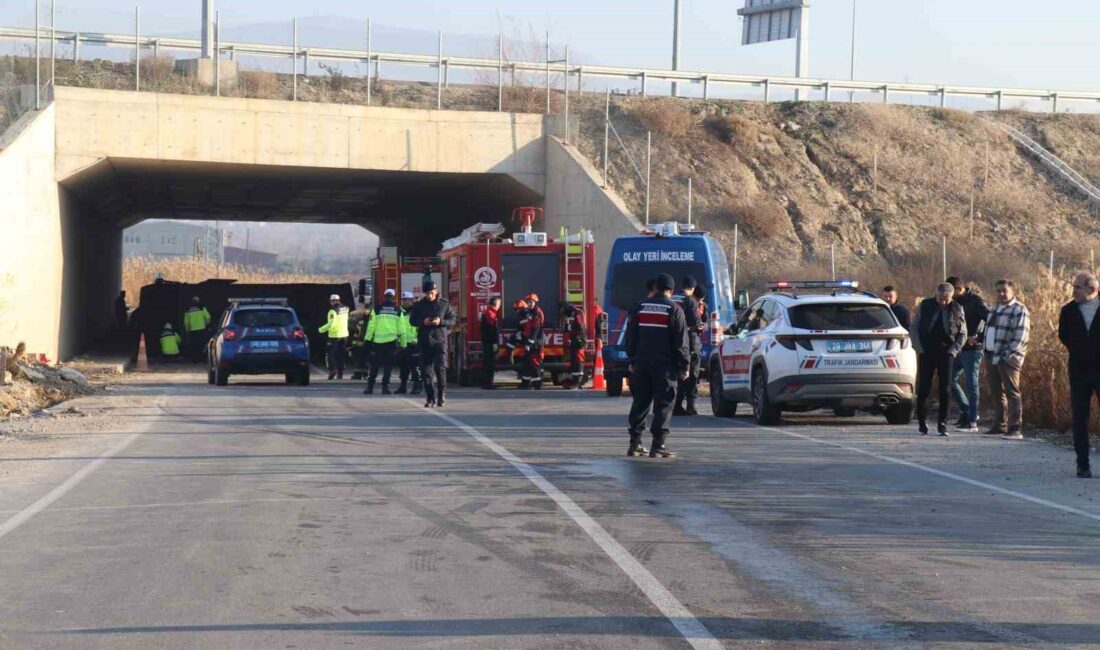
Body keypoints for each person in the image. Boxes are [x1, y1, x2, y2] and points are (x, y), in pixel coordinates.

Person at [625, 273, 689, 459]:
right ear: (671, 290)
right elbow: (680, 342)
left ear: (655, 288)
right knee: (664, 404)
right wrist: (684, 366)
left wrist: (632, 360)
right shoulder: (674, 310)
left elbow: (631, 337)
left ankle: (635, 444)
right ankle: (658, 445)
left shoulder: (640, 307)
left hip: (641, 365)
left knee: (640, 403)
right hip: (665, 367)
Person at [909, 283, 967, 436]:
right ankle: (922, 421)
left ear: (951, 297)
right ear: (936, 295)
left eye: (946, 300)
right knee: (924, 389)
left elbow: (963, 333)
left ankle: (943, 423)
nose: (943, 302)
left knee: (945, 389)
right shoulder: (925, 305)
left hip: (946, 352)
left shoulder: (957, 308)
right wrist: (918, 347)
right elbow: (914, 327)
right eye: (940, 299)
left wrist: (953, 351)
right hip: (926, 350)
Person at [1058, 271, 1100, 478]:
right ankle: (1082, 464)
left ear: (1091, 289)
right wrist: (1081, 350)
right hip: (1079, 370)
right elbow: (1063, 335)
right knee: (1080, 419)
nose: (1073, 291)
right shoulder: (1068, 311)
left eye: (1077, 287)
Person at [983, 279, 1030, 440]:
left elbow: (1021, 336)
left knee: (1012, 392)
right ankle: (1000, 424)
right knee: (997, 392)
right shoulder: (994, 308)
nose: (1001, 294)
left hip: (1008, 358)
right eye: (998, 291)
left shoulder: (1019, 310)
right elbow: (989, 329)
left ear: (1012, 292)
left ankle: (1015, 427)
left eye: (1004, 291)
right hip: (991, 355)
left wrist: (1008, 355)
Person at [946, 277, 990, 431]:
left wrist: (979, 338)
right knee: (949, 380)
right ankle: (966, 410)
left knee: (972, 384)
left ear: (958, 289)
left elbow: (990, 320)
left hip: (973, 349)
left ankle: (972, 420)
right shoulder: (953, 302)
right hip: (958, 347)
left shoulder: (976, 301)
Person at [407, 280, 456, 407]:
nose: (430, 295)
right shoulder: (419, 305)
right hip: (425, 341)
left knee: (440, 369)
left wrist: (441, 322)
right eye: (427, 293)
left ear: (436, 291)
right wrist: (424, 322)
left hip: (440, 341)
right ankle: (430, 398)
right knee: (426, 372)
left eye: (432, 293)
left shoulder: (444, 304)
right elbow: (412, 321)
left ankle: (441, 395)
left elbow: (452, 320)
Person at [364, 289, 404, 395]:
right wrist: (403, 344)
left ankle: (370, 387)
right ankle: (385, 388)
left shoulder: (376, 309)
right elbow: (402, 330)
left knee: (374, 366)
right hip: (391, 343)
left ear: (384, 297)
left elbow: (371, 326)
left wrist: (367, 341)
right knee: (388, 367)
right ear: (394, 297)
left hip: (378, 343)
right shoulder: (398, 311)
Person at [672, 276, 702, 416]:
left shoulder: (670, 299)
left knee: (674, 372)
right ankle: (691, 405)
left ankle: (676, 404)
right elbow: (696, 323)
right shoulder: (690, 301)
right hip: (689, 341)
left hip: (671, 341)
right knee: (692, 372)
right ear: (691, 289)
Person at [319, 294, 350, 380]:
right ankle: (340, 373)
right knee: (340, 354)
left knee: (330, 354)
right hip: (344, 335)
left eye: (331, 301)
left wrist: (321, 329)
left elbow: (331, 324)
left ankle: (332, 370)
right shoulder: (346, 308)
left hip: (334, 335)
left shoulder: (332, 311)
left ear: (332, 301)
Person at [396, 292, 422, 394]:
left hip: (414, 344)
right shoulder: (399, 312)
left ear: (412, 300)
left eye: (407, 300)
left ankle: (417, 386)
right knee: (403, 367)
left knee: (415, 367)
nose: (405, 302)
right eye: (403, 300)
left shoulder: (416, 312)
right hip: (403, 344)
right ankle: (403, 387)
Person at [519, 293, 545, 389]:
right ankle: (525, 383)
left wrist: (530, 342)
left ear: (535, 302)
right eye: (528, 302)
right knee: (526, 362)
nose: (529, 304)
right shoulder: (530, 312)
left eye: (531, 302)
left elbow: (535, 328)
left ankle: (537, 384)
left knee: (535, 363)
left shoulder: (536, 313)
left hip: (535, 342)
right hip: (529, 341)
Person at [560, 302, 587, 389]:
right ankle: (575, 381)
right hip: (574, 340)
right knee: (574, 360)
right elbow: (566, 329)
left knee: (578, 360)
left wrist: (569, 328)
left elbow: (579, 327)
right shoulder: (569, 315)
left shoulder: (576, 314)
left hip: (579, 340)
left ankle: (578, 382)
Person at [480, 297, 502, 389]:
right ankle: (488, 384)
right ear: (496, 304)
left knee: (488, 363)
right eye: (499, 304)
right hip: (489, 342)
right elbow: (492, 329)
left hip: (487, 341)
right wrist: (495, 342)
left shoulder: (488, 312)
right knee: (490, 363)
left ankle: (488, 383)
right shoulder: (491, 314)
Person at [348, 297, 372, 381]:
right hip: (360, 344)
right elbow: (356, 333)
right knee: (358, 359)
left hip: (367, 344)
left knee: (365, 360)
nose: (365, 312)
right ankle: (358, 374)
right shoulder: (360, 321)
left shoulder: (371, 322)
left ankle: (365, 374)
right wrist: (353, 344)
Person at [182, 296, 212, 362]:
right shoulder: (202, 308)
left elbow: (186, 321)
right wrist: (207, 325)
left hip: (192, 330)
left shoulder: (188, 310)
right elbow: (208, 317)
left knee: (194, 346)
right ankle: (203, 359)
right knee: (202, 345)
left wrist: (187, 330)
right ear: (199, 302)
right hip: (201, 329)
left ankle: (195, 359)